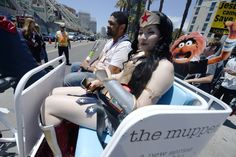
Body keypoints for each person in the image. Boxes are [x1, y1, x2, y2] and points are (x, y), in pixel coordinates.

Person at [39, 10, 174, 157]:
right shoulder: (141, 55)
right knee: (55, 92)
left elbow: (138, 112)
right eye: (141, 32)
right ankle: (66, 142)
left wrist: (108, 81)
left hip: (118, 120)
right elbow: (120, 76)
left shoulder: (164, 67)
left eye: (150, 32)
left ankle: (61, 154)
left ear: (162, 36)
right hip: (107, 100)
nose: (143, 37)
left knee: (49, 105)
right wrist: (99, 81)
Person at [64, 11, 132, 86]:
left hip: (101, 80)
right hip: (96, 71)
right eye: (108, 22)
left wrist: (88, 68)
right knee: (75, 66)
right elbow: (99, 59)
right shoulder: (110, 42)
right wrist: (89, 65)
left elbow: (110, 73)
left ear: (122, 28)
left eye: (111, 24)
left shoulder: (124, 46)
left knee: (68, 79)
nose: (108, 26)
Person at [0, 16, 47, 89]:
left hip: (26, 82)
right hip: (33, 73)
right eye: (32, 23)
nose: (34, 25)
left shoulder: (31, 31)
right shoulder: (18, 30)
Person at [214, 47, 236, 115]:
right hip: (223, 83)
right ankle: (211, 112)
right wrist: (225, 70)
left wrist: (233, 72)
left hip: (233, 87)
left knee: (225, 103)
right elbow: (224, 69)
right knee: (215, 99)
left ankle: (220, 116)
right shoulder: (231, 60)